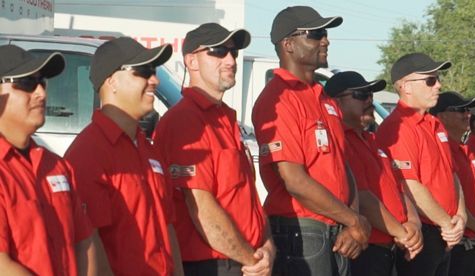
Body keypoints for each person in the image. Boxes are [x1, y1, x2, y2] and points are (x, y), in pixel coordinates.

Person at [251, 6, 368, 275]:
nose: (325, 40)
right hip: (301, 232)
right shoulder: (277, 99)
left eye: (325, 33)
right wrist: (353, 220)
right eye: (315, 34)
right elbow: (294, 180)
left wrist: (353, 223)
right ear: (288, 45)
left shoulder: (324, 97)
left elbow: (343, 166)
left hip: (336, 231)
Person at [155, 23, 275, 276]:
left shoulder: (224, 120)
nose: (230, 60)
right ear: (192, 61)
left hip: (244, 261)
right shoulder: (185, 121)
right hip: (213, 265)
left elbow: (248, 198)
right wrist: (252, 260)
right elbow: (202, 210)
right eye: (218, 51)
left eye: (233, 52)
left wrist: (268, 246)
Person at [66, 37, 183, 276]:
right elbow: (89, 246)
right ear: (112, 82)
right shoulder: (88, 154)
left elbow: (168, 227)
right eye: (143, 71)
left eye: (154, 71)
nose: (154, 80)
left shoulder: (148, 149)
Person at [0, 44, 109, 276]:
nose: (41, 93)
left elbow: (84, 242)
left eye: (43, 82)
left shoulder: (57, 166)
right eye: (28, 83)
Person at [324, 71, 425, 275]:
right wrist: (402, 233)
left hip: (391, 248)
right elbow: (362, 197)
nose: (369, 99)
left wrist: (414, 224)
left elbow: (399, 190)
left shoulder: (373, 140)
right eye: (361, 95)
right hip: (366, 251)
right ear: (336, 102)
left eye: (371, 94)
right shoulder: (340, 142)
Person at [376, 53, 467, 275]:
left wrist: (461, 217)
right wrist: (447, 224)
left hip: (445, 232)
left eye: (437, 79)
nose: (438, 85)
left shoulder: (435, 124)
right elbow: (409, 185)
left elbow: (451, 174)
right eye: (430, 80)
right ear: (406, 86)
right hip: (423, 233)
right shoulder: (397, 128)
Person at [431, 92, 475, 276]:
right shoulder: (440, 151)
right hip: (458, 244)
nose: (467, 114)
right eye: (461, 109)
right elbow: (448, 199)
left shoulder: (466, 150)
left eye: (468, 109)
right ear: (441, 116)